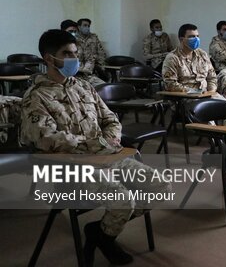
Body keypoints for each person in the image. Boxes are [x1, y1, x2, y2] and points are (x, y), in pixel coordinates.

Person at [20, 29, 170, 266]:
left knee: (160, 186)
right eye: (67, 53)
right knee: (122, 198)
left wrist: (110, 139)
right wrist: (93, 144)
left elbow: (110, 119)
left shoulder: (84, 87)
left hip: (105, 155)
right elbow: (46, 139)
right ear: (49, 59)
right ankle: (106, 237)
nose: (74, 59)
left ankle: (100, 234)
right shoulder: (36, 97)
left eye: (75, 53)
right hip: (69, 167)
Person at [161, 23, 226, 124]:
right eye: (191, 37)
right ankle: (216, 138)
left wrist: (211, 90)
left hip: (207, 94)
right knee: (209, 116)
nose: (196, 39)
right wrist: (193, 92)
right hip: (186, 99)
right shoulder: (172, 58)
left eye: (197, 36)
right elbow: (170, 84)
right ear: (181, 39)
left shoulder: (202, 54)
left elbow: (212, 76)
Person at [76, 18, 107, 87]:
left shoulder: (94, 38)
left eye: (88, 26)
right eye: (85, 25)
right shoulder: (73, 39)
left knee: (104, 87)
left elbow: (101, 53)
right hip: (78, 73)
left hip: (92, 73)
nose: (87, 27)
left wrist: (101, 68)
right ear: (79, 27)